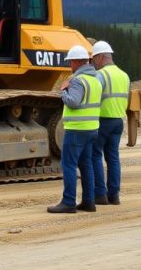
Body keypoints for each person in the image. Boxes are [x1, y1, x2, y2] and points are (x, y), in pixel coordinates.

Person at [48, 45, 101, 214]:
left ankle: (69, 201)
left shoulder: (78, 80)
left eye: (70, 62)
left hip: (77, 129)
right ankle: (89, 201)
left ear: (77, 62)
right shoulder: (95, 79)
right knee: (86, 165)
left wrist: (63, 91)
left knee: (69, 164)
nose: (70, 65)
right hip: (91, 128)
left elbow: (73, 101)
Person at [90, 41, 130, 205]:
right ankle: (114, 195)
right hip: (118, 121)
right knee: (113, 157)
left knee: (95, 155)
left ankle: (100, 194)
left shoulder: (101, 75)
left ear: (100, 57)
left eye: (93, 59)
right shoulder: (124, 75)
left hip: (102, 120)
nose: (93, 63)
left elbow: (93, 96)